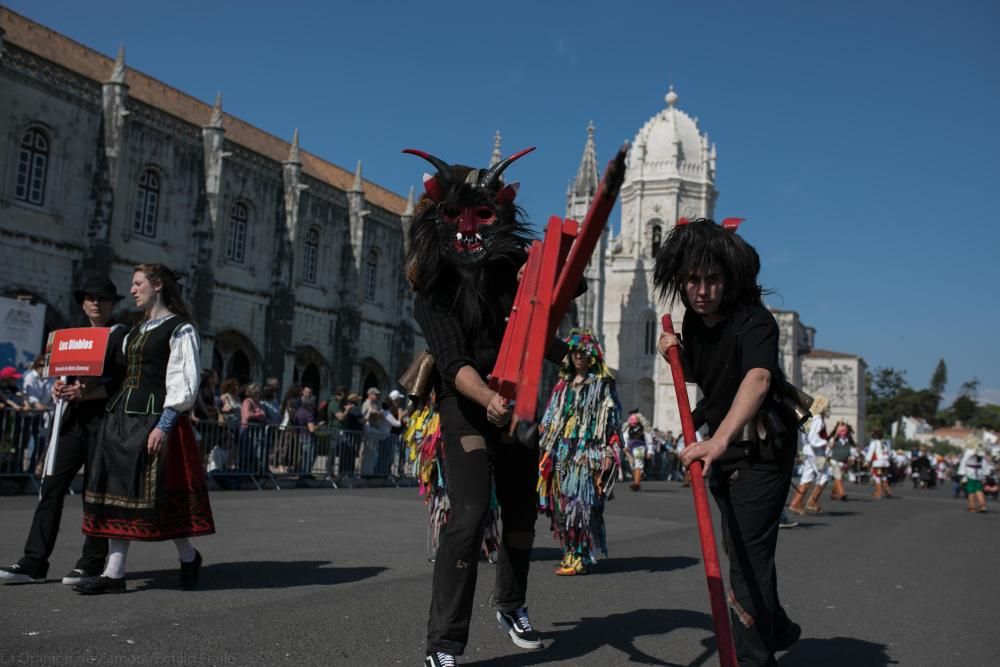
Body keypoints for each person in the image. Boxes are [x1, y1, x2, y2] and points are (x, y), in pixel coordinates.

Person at [405, 145, 557, 666]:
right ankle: (443, 643)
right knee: (468, 518)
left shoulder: (510, 268)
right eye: (455, 217)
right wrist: (489, 397)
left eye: (483, 216)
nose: (468, 229)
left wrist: (548, 278)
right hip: (466, 405)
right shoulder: (433, 289)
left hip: (517, 404)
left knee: (519, 513)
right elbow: (451, 362)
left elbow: (561, 288)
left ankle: (511, 605)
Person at [655, 218, 800, 665]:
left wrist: (716, 441)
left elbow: (756, 379)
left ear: (729, 278)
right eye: (693, 280)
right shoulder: (694, 323)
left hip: (760, 450)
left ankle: (755, 657)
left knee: (745, 558)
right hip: (723, 449)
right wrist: (672, 351)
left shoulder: (755, 322)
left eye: (712, 280)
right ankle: (773, 624)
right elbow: (709, 375)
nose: (702, 290)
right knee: (741, 547)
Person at [73, 263, 214, 595]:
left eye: (138, 284)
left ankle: (189, 556)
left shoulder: (180, 329)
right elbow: (119, 379)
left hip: (152, 420)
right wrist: (81, 391)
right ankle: (115, 573)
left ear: (158, 285)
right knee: (118, 494)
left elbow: (184, 383)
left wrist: (164, 425)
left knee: (159, 497)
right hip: (120, 419)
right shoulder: (133, 331)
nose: (132, 290)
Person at [0, 275, 126, 585]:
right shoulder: (73, 337)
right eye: (89, 298)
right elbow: (68, 377)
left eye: (102, 298)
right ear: (83, 304)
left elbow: (124, 383)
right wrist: (60, 386)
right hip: (71, 421)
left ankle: (91, 562)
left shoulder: (121, 336)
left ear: (112, 304)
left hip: (103, 421)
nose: (95, 302)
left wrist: (88, 393)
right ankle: (33, 560)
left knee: (93, 493)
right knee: (52, 488)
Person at [538, 329, 623, 575]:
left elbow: (612, 422)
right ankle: (569, 552)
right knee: (562, 507)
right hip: (562, 452)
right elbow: (552, 418)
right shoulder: (562, 387)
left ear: (591, 356)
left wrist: (609, 451)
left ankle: (581, 557)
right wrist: (544, 444)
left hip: (588, 453)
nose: (578, 356)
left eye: (583, 353)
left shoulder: (602, 386)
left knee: (583, 507)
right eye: (574, 352)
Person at [788, 394, 830, 515]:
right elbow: (813, 439)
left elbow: (806, 437)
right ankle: (812, 501)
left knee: (807, 476)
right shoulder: (818, 420)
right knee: (825, 476)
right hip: (816, 452)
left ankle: (796, 503)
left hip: (809, 451)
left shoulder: (810, 418)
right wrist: (825, 442)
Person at [957, 446, 993, 513]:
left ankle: (972, 507)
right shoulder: (981, 452)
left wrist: (962, 472)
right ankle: (982, 506)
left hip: (970, 472)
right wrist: (986, 473)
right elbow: (984, 463)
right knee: (979, 489)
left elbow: (964, 461)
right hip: (979, 473)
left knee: (971, 490)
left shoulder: (969, 451)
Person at [826, 422, 853, 501]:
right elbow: (829, 447)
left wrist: (849, 460)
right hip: (834, 461)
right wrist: (835, 435)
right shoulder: (833, 439)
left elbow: (849, 451)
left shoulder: (847, 440)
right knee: (838, 477)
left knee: (838, 478)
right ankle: (842, 494)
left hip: (843, 462)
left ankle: (833, 494)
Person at [865, 429, 893, 499]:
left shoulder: (874, 442)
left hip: (878, 462)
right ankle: (888, 491)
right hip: (885, 462)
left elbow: (870, 452)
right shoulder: (885, 443)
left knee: (877, 477)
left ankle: (878, 493)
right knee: (883, 476)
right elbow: (890, 453)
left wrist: (867, 461)